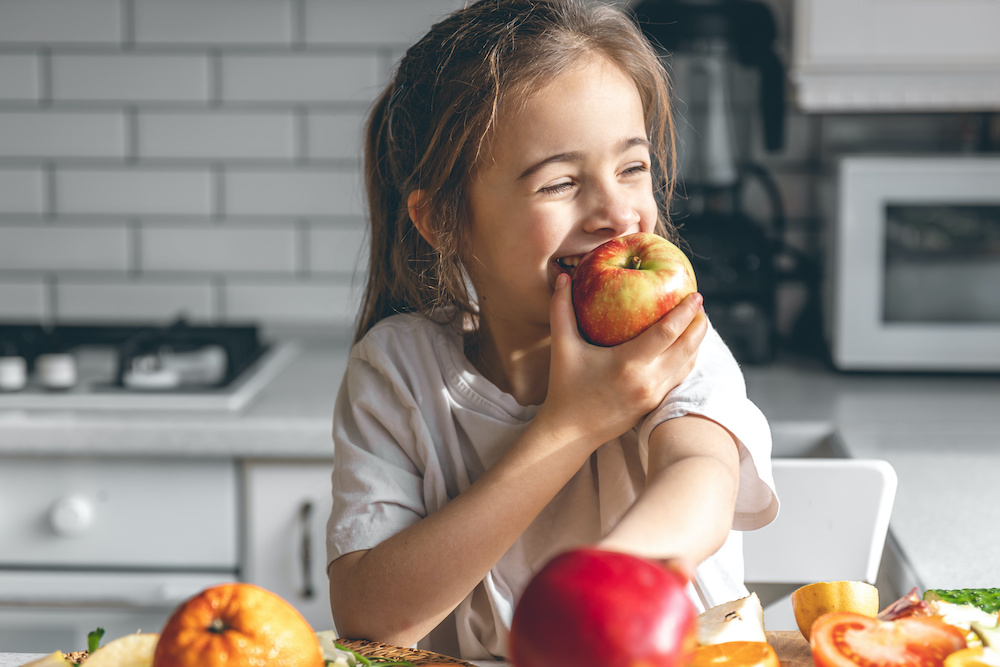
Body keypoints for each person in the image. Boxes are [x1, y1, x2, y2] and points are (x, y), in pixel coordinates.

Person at [326, 0, 778, 660]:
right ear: (443, 221)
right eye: (560, 183)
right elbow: (370, 617)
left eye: (632, 168)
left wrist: (590, 597)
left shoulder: (668, 346)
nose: (617, 213)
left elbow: (701, 477)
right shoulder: (398, 371)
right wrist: (574, 424)